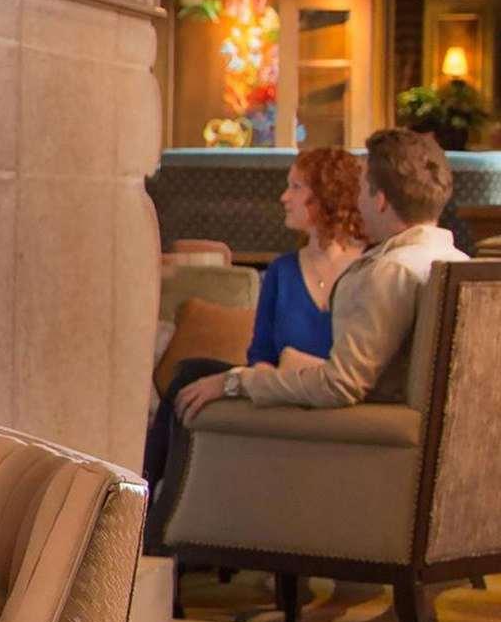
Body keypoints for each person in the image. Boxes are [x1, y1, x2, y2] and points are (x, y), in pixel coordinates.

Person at [169, 127, 466, 435]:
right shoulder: (459, 263)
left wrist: (237, 382)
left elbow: (340, 386)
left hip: (343, 438)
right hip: (387, 433)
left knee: (194, 385)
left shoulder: (388, 270)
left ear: (380, 201)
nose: (357, 201)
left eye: (363, 189)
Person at [141, 144, 363, 555]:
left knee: (193, 377)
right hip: (277, 398)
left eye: (296, 187)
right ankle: (155, 529)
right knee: (190, 374)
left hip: (332, 405)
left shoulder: (368, 271)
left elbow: (353, 367)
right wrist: (264, 373)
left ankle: (149, 534)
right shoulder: (282, 271)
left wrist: (292, 365)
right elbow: (260, 355)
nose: (284, 197)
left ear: (327, 196)